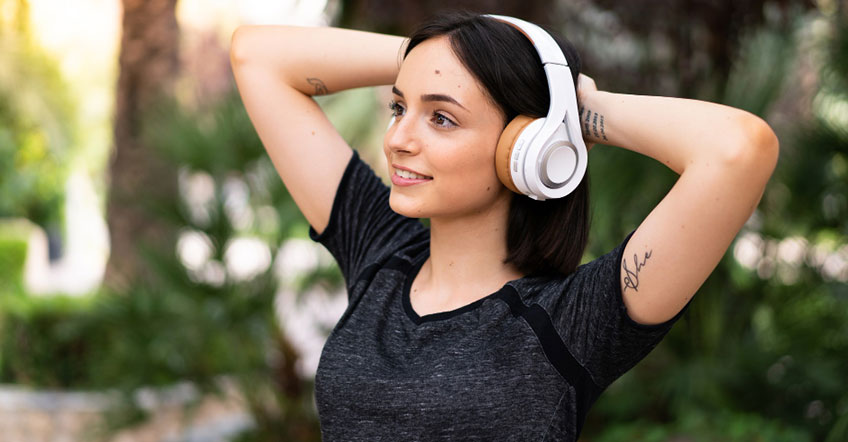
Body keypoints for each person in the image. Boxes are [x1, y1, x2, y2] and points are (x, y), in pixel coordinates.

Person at [230, 11, 778, 441]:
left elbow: (737, 149)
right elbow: (257, 56)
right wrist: (439, 55)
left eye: (442, 117)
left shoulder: (573, 319)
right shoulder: (381, 252)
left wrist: (572, 105)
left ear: (525, 146)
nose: (399, 138)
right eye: (400, 107)